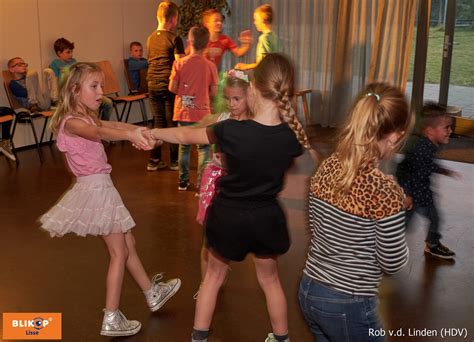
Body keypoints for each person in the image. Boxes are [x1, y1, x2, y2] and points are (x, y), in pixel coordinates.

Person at [147, 53, 313, 342]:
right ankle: (282, 338)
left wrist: (153, 132)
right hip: (266, 218)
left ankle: (199, 338)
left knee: (212, 279)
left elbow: (187, 137)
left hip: (228, 217)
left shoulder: (230, 130)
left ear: (253, 88)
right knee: (271, 281)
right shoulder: (291, 137)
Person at [39, 62, 181, 337]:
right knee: (119, 253)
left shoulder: (88, 117)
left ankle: (152, 293)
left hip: (102, 187)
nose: (100, 92)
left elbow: (110, 124)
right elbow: (100, 133)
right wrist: (131, 135)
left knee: (128, 243)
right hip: (96, 190)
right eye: (94, 86)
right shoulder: (74, 122)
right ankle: (112, 317)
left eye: (101, 86)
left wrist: (141, 131)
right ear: (74, 90)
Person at [299, 83, 412, 341]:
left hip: (310, 289)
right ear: (395, 135)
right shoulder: (384, 191)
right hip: (347, 302)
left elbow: (321, 229)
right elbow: (392, 263)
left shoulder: (328, 166)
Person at [193, 69, 252, 294]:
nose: (232, 104)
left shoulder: (254, 125)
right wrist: (156, 135)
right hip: (214, 181)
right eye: (227, 99)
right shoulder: (221, 119)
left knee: (226, 238)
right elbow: (190, 131)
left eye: (237, 99)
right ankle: (205, 285)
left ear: (249, 97)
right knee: (207, 239)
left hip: (236, 185)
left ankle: (219, 270)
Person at [396, 103, 459, 259]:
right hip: (412, 197)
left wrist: (445, 171)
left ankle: (433, 244)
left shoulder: (429, 146)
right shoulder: (420, 149)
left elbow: (428, 165)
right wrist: (407, 194)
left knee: (435, 218)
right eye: (446, 127)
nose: (450, 131)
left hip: (424, 194)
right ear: (430, 131)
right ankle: (383, 247)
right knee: (402, 226)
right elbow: (404, 172)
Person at [169, 26, 218, 191]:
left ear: (189, 42)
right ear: (206, 44)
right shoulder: (210, 65)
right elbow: (214, 91)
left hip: (183, 111)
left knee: (184, 146)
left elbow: (172, 87)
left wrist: (185, 91)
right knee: (203, 148)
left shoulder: (179, 63)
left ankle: (182, 182)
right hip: (203, 113)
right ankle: (201, 183)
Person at [146, 0, 185, 171]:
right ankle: (175, 162)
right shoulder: (175, 38)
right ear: (174, 19)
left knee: (158, 122)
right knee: (172, 123)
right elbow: (180, 65)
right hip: (168, 86)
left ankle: (154, 161)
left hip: (152, 85)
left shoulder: (150, 38)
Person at [48, 37, 113, 121]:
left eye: (71, 52)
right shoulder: (55, 64)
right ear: (59, 53)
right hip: (67, 95)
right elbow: (55, 83)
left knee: (108, 103)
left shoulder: (74, 62)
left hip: (81, 93)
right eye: (68, 52)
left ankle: (102, 123)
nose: (71, 54)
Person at [235, 4, 278, 71]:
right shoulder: (274, 37)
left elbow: (263, 63)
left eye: (256, 20)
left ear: (263, 20)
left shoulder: (264, 38)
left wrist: (245, 66)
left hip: (266, 76)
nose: (254, 22)